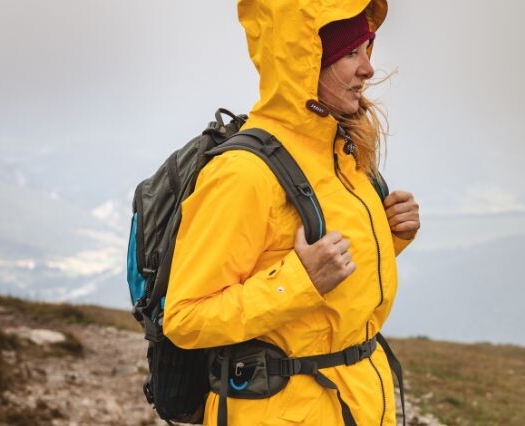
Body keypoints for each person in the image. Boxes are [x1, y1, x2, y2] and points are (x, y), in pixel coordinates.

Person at [163, 0, 419, 425]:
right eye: (351, 52)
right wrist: (299, 281)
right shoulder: (243, 173)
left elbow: (333, 289)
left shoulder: (341, 152)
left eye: (366, 48)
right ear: (306, 60)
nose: (368, 69)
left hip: (358, 401)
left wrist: (390, 235)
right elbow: (187, 318)